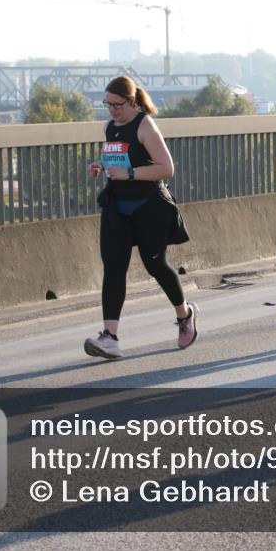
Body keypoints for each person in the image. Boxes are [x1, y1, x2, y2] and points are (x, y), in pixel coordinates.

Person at [83, 76, 197, 359]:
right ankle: (110, 336)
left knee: (155, 265)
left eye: (117, 105)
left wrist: (132, 174)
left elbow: (166, 168)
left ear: (131, 102)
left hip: (149, 205)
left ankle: (185, 315)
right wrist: (101, 165)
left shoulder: (145, 125)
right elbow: (119, 159)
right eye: (107, 104)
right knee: (113, 266)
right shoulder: (109, 126)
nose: (111, 110)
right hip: (117, 205)